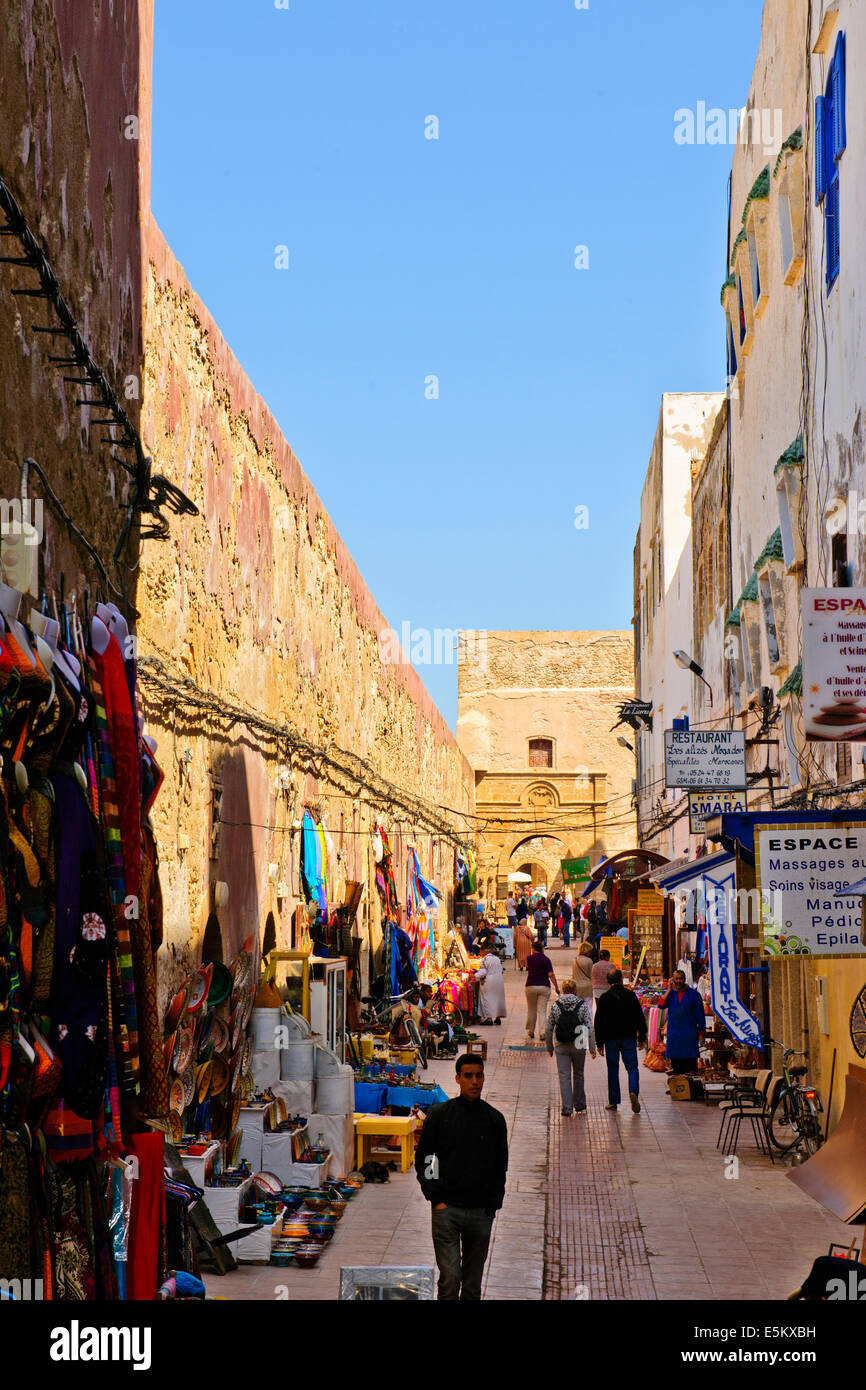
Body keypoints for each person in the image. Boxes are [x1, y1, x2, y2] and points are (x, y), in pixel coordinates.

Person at [415, 1054, 509, 1300]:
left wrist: (492, 1204)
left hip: (480, 1213)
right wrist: (435, 1197)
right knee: (450, 1278)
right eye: (468, 1076)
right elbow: (427, 1158)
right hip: (447, 1211)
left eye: (479, 1075)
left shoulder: (494, 1120)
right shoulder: (440, 1115)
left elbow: (500, 1166)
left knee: (471, 1285)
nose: (474, 1082)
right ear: (457, 1079)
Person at [594, 968, 648, 1113]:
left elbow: (598, 1022)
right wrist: (642, 1037)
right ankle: (633, 1091)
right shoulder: (630, 996)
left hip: (610, 1039)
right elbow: (639, 1017)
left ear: (608, 981)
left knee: (613, 1070)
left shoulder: (604, 998)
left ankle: (613, 1101)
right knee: (632, 1068)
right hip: (628, 1038)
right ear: (620, 980)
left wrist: (599, 1043)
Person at [545, 979, 597, 1116]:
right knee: (579, 1074)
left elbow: (549, 1027)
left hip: (561, 1044)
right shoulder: (582, 1005)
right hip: (579, 1043)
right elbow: (589, 1026)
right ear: (575, 990)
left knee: (564, 1076)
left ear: (563, 990)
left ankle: (567, 1108)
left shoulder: (556, 1005)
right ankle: (579, 1105)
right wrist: (592, 1047)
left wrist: (549, 1047)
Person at [657, 969, 706, 1075]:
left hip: (689, 1034)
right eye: (676, 979)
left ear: (684, 979)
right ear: (673, 980)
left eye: (681, 978)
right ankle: (677, 1089)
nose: (679, 981)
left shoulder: (694, 995)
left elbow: (700, 1016)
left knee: (690, 1067)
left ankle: (689, 1089)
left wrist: (701, 1033)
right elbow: (660, 1005)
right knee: (676, 1067)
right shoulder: (671, 994)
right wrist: (669, 990)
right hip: (674, 1034)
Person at [525, 939, 559, 1040]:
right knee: (542, 1010)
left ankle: (531, 1031)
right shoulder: (546, 960)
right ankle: (542, 1033)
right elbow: (551, 975)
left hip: (530, 986)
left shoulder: (529, 958)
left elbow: (527, 966)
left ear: (533, 949)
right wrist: (556, 987)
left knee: (531, 1009)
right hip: (544, 986)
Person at [475, 945, 506, 1026]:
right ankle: (498, 1018)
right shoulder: (497, 958)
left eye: (480, 952)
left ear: (483, 951)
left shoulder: (484, 959)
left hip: (489, 981)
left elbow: (483, 973)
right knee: (498, 999)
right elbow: (501, 969)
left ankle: (489, 1019)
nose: (480, 954)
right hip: (499, 980)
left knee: (488, 999)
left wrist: (474, 976)